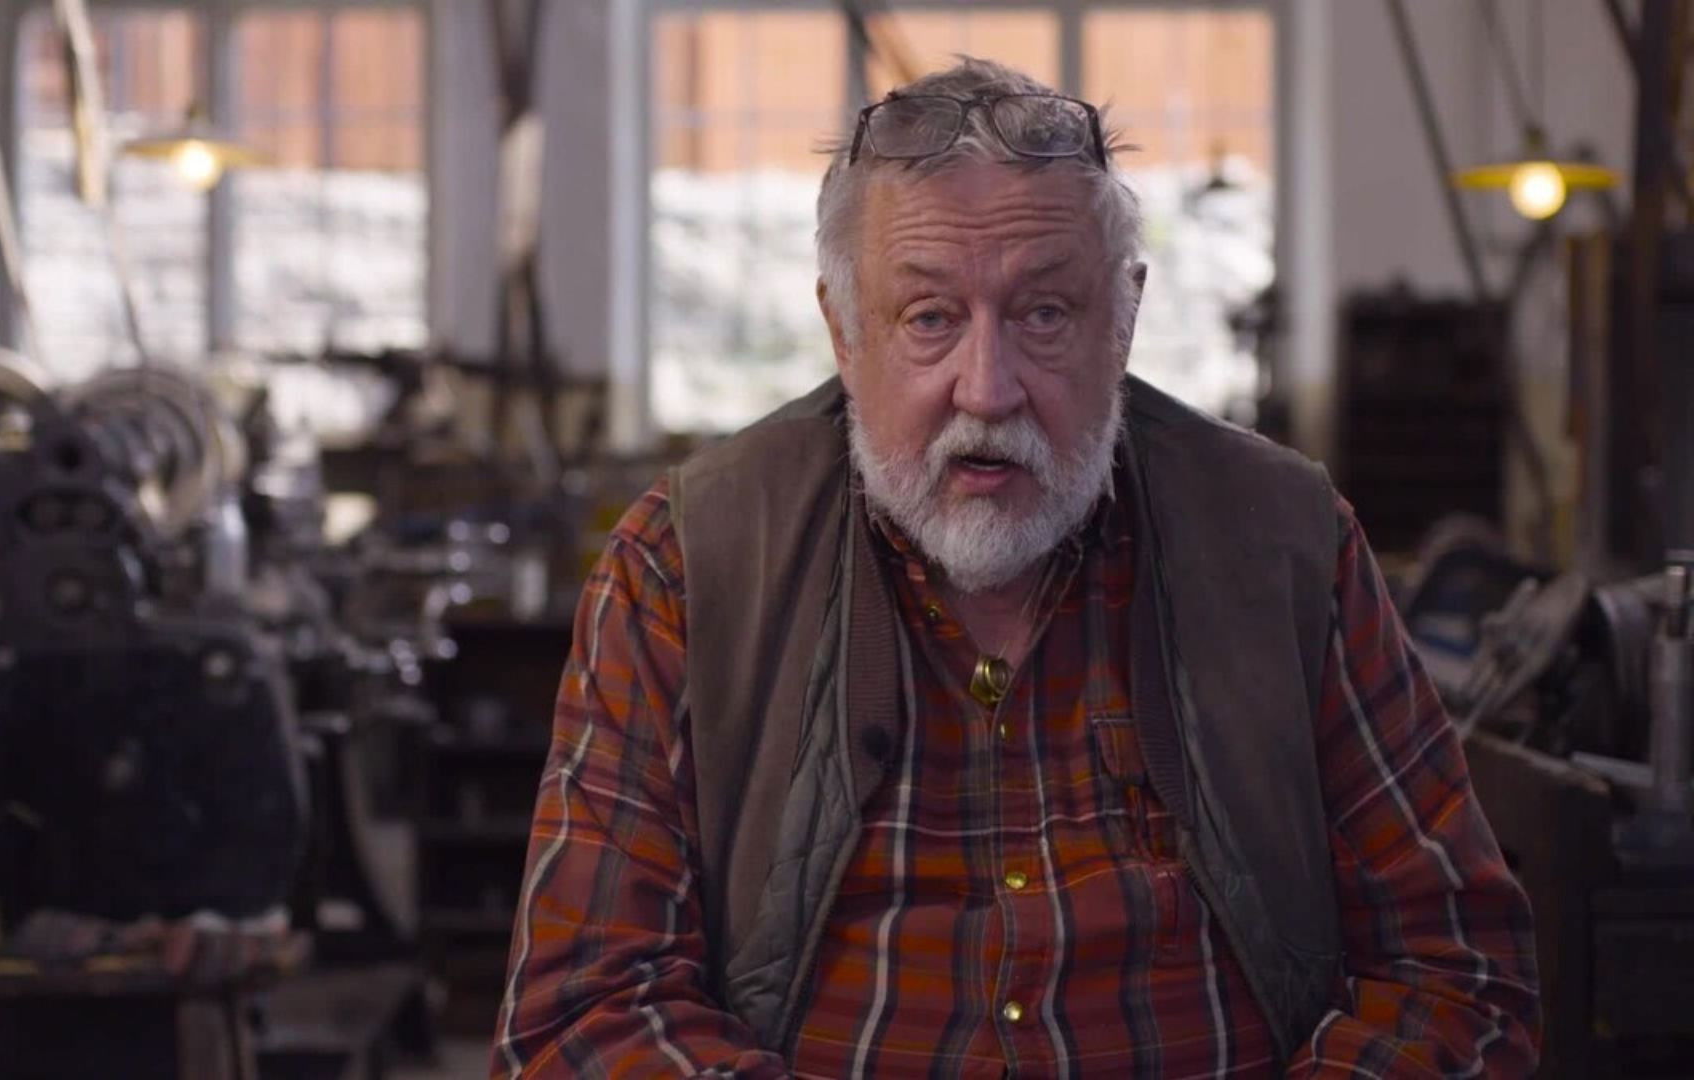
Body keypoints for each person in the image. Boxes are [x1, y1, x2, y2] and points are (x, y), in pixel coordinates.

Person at [492, 58, 1540, 1078]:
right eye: (930, 319)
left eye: (1044, 315)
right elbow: (580, 1017)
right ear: (844, 332)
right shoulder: (686, 565)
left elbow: (1458, 978)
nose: (987, 390)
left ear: (1122, 321)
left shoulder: (1287, 544)